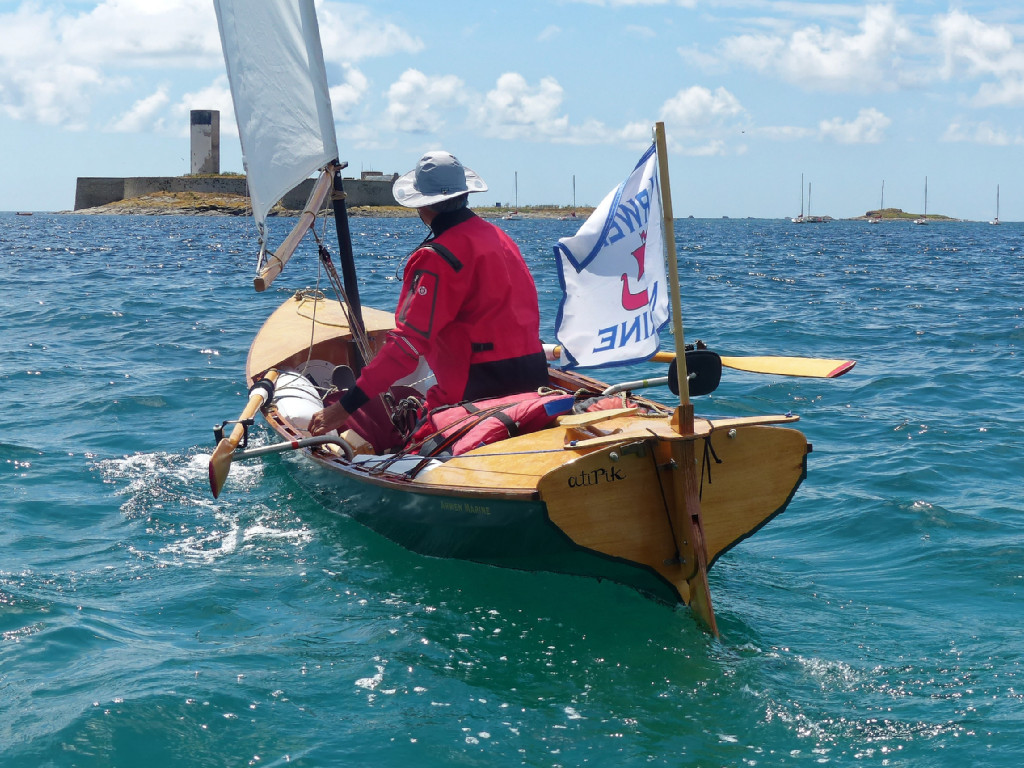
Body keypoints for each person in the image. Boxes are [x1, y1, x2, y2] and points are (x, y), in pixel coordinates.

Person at [308, 150, 548, 444]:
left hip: (473, 396)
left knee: (401, 444)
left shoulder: (436, 258)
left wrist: (344, 408)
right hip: (534, 382)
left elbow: (406, 349)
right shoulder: (500, 237)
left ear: (423, 205)